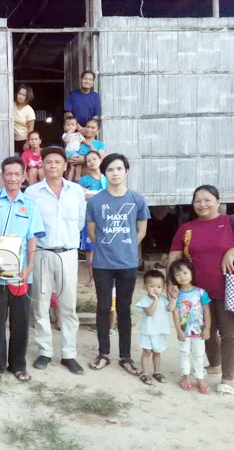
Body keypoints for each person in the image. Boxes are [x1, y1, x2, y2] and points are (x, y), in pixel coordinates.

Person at [168, 185, 234, 396]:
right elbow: (175, 257)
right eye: (197, 201)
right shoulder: (187, 229)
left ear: (218, 202)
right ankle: (214, 365)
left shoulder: (233, 222)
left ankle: (227, 379)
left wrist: (233, 251)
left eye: (207, 200)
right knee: (207, 331)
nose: (202, 204)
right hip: (197, 292)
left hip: (230, 289)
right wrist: (171, 283)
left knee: (230, 334)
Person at [0, 156, 45, 383]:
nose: (13, 178)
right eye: (8, 173)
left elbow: (32, 239)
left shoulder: (30, 205)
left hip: (20, 276)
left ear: (24, 176)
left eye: (18, 174)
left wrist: (29, 268)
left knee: (20, 322)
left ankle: (18, 364)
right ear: (2, 176)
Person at [86, 153, 150, 375]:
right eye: (110, 169)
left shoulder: (137, 200)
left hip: (127, 263)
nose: (115, 173)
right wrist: (108, 247)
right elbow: (93, 233)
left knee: (124, 309)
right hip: (103, 264)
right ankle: (103, 353)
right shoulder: (95, 201)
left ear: (126, 171)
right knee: (103, 308)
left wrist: (128, 247)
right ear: (104, 173)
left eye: (119, 169)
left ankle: (125, 356)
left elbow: (141, 230)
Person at [25, 147, 86, 375]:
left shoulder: (76, 191)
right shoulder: (32, 192)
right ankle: (45, 351)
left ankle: (69, 354)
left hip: (69, 254)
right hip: (42, 253)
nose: (52, 166)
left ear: (64, 166)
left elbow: (79, 222)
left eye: (57, 162)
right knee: (40, 305)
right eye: (48, 162)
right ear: (42, 165)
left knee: (68, 306)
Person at [168, 258, 212, 394]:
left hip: (199, 332)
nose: (182, 277)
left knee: (199, 355)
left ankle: (200, 378)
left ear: (192, 273)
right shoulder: (176, 294)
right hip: (184, 332)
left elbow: (206, 310)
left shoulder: (201, 292)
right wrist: (178, 330)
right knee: (184, 353)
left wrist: (207, 328)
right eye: (177, 274)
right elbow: (174, 313)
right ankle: (185, 376)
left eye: (185, 273)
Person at [136, 270, 172, 386]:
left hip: (160, 331)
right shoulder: (144, 300)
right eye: (152, 286)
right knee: (146, 352)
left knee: (157, 352)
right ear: (144, 286)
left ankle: (157, 371)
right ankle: (144, 373)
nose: (155, 289)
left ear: (163, 287)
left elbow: (171, 308)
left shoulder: (165, 300)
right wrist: (156, 300)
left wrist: (174, 298)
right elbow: (150, 312)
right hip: (147, 332)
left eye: (159, 287)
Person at [78, 151, 108, 287]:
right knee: (91, 249)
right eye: (88, 160)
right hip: (89, 217)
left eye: (94, 159)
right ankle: (92, 278)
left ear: (101, 160)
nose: (92, 162)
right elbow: (78, 197)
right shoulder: (84, 180)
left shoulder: (107, 178)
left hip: (107, 217)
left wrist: (91, 194)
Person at [13, 84, 35, 155]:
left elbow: (31, 129)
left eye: (24, 95)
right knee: (14, 161)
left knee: (23, 162)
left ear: (28, 97)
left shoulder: (29, 110)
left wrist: (28, 142)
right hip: (12, 138)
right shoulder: (12, 105)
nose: (20, 96)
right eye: (19, 94)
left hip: (23, 140)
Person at [62, 116, 85, 181]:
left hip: (76, 152)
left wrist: (91, 146)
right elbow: (66, 140)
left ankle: (69, 180)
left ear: (76, 126)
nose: (70, 127)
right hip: (69, 152)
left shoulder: (78, 135)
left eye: (72, 125)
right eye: (68, 125)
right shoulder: (65, 134)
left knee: (72, 167)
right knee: (78, 161)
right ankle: (77, 176)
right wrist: (69, 132)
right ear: (65, 127)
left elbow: (85, 141)